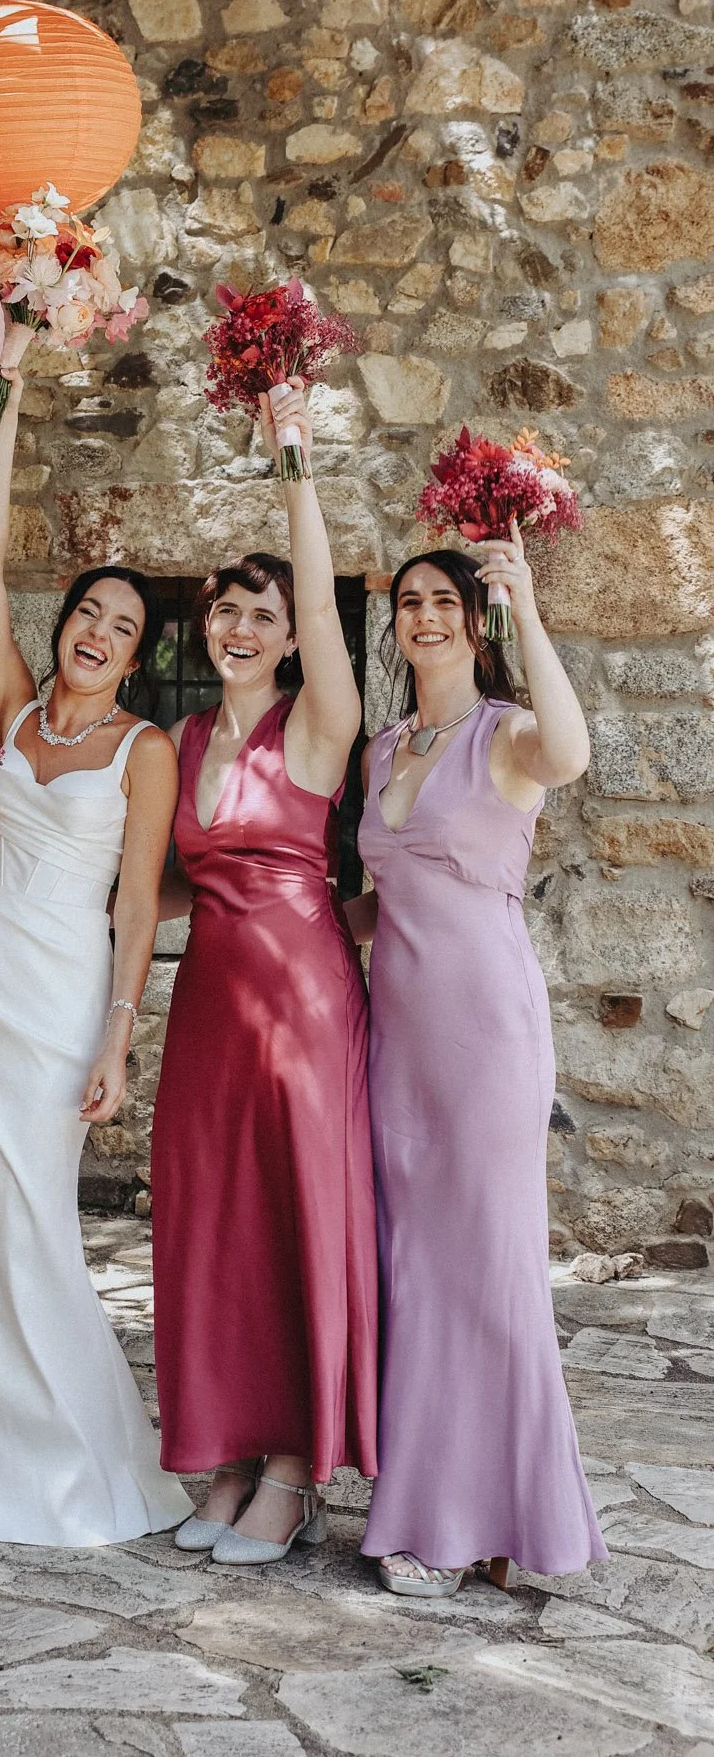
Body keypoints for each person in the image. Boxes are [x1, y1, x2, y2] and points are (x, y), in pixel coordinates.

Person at [0, 364, 191, 1545]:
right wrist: (4, 405)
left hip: (59, 1003)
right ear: (66, 620)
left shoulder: (147, 750)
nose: (99, 632)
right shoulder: (14, 707)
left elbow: (137, 906)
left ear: (135, 654)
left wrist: (121, 1038)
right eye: (89, 612)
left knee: (32, 1217)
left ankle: (67, 1457)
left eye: (124, 627)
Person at [350, 530, 606, 1595]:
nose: (425, 614)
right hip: (397, 1036)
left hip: (487, 1032)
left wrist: (527, 605)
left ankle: (478, 1525)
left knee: (490, 1271)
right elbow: (376, 903)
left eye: (446, 599)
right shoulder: (382, 746)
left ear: (474, 617)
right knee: (415, 1270)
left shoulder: (507, 734)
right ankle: (442, 1508)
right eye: (409, 599)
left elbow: (575, 755)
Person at [151, 380, 378, 1565]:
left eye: (264, 613)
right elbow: (180, 880)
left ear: (293, 635)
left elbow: (329, 614)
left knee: (294, 1219)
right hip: (207, 1005)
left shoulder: (318, 721)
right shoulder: (183, 738)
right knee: (211, 1223)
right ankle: (229, 1454)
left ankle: (295, 1472)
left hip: (302, 1000)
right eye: (226, 609)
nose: (240, 626)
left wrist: (293, 460)